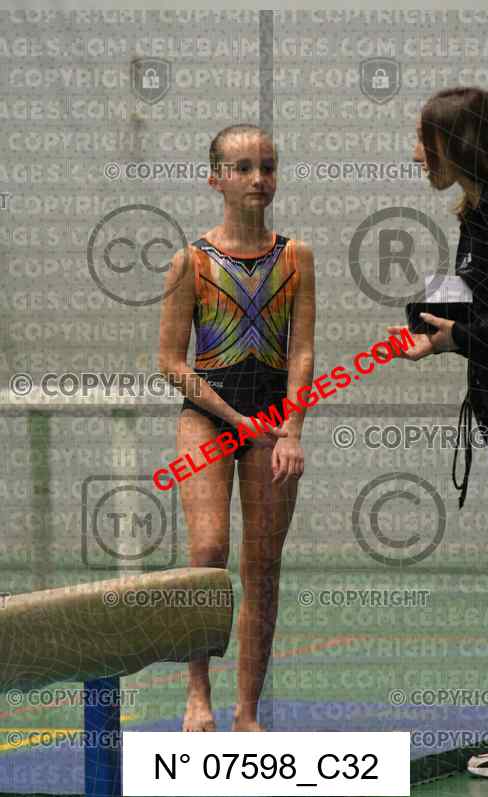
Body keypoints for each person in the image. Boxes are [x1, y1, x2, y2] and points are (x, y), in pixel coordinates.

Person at [387, 86, 488, 778]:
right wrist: (438, 319)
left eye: (425, 141)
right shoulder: (482, 212)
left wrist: (460, 339)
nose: (416, 155)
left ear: (457, 143)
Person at [158, 124, 316, 732]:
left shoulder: (296, 257)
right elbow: (171, 363)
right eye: (243, 168)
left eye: (267, 167)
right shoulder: (191, 262)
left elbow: (301, 352)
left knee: (262, 565)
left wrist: (292, 428)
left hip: (272, 419)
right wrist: (232, 417)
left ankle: (247, 711)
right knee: (207, 552)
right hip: (208, 415)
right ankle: (197, 691)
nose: (258, 179)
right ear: (215, 179)